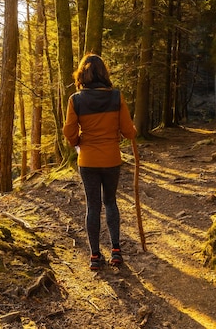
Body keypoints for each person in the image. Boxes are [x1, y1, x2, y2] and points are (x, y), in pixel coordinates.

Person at [63, 54, 137, 271]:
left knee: (92, 205)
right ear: (104, 72)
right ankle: (116, 251)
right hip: (111, 158)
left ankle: (95, 256)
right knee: (111, 202)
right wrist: (133, 132)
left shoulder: (75, 99)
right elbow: (128, 131)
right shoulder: (115, 97)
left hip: (87, 160)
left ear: (82, 74)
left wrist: (78, 142)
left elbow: (69, 131)